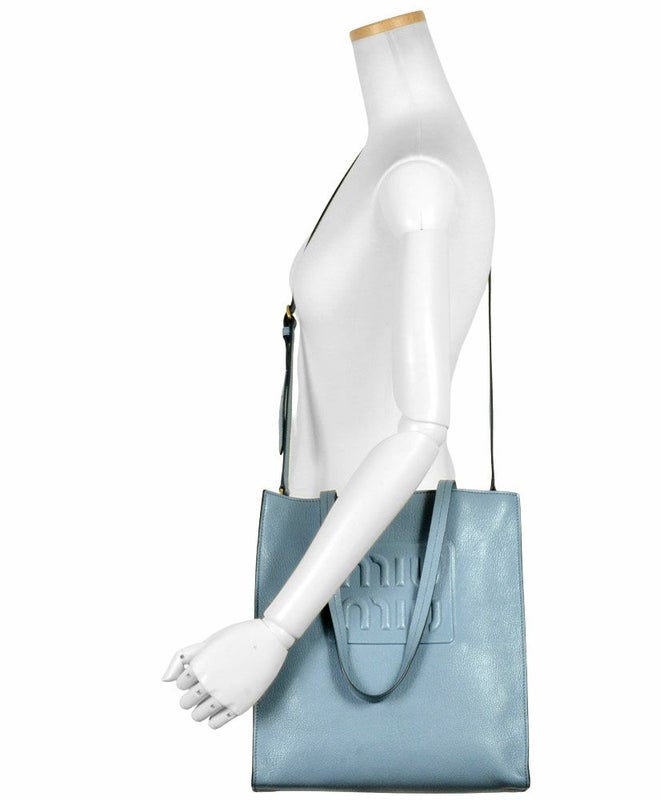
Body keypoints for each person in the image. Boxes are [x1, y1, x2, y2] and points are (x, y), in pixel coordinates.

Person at [162, 9, 494, 729]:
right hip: (327, 540)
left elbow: (424, 424)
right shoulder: (394, 147)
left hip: (377, 536)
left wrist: (276, 630)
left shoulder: (419, 174)